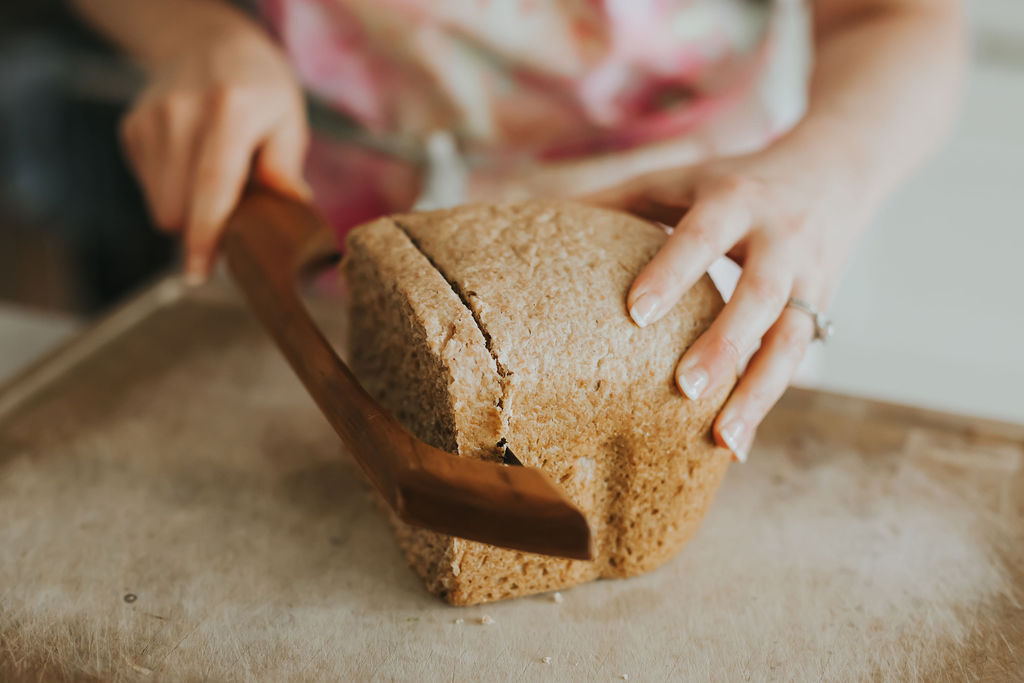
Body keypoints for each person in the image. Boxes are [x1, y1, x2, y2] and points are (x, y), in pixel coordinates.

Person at [71, 0, 965, 462]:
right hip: (319, 238)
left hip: (688, 257)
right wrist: (197, 35)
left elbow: (899, 13)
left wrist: (827, 170)